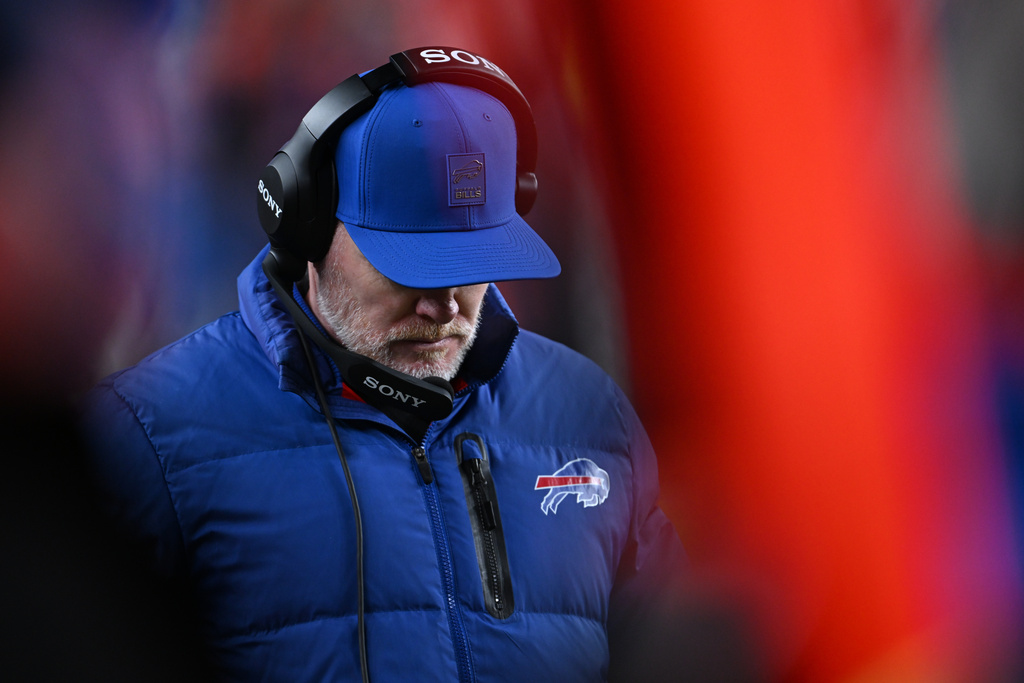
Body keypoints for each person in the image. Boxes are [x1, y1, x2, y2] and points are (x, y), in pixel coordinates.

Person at [81, 47, 686, 682]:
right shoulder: (148, 436)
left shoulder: (588, 414)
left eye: (475, 259)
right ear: (308, 226)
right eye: (410, 265)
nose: (445, 305)